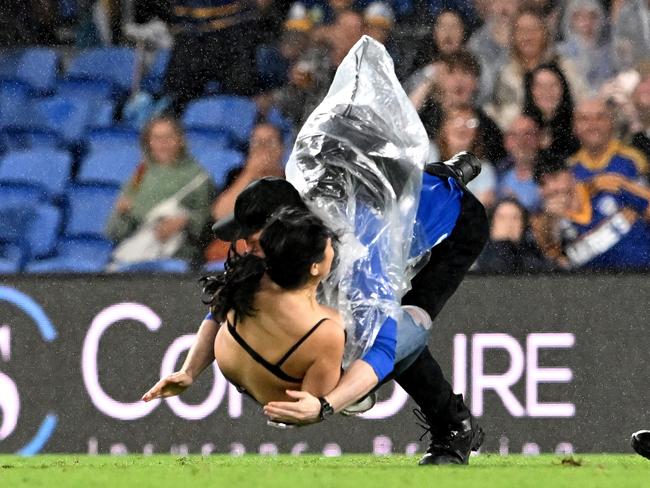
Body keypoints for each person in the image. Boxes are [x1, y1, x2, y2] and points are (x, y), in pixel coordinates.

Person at [202, 208, 346, 405]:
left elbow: (214, 313)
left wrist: (188, 371)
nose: (333, 251)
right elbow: (307, 407)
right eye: (330, 246)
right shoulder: (329, 330)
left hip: (229, 363)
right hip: (275, 396)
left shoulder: (246, 277)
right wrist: (336, 402)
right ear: (314, 266)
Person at [105, 116, 216, 267]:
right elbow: (114, 231)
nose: (162, 143)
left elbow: (207, 224)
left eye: (168, 137)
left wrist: (185, 222)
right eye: (156, 138)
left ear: (181, 140)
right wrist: (122, 213)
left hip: (177, 258)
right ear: (148, 142)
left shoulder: (198, 178)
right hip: (136, 253)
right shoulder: (140, 173)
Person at [531, 157, 650, 270]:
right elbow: (556, 266)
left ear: (570, 174)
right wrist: (551, 221)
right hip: (596, 287)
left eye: (555, 178)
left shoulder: (605, 185)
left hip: (644, 273)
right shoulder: (542, 222)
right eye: (543, 184)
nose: (552, 188)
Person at [410, 50, 506, 164]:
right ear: (439, 80)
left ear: (476, 82)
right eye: (451, 72)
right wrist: (428, 81)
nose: (459, 80)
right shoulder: (427, 116)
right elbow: (401, 124)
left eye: (466, 73)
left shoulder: (485, 125)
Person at [569, 96, 648, 182]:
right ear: (574, 127)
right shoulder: (569, 167)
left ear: (612, 123)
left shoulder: (635, 160)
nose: (592, 125)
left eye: (600, 118)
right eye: (584, 119)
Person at [433, 107, 497, 208]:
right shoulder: (429, 154)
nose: (462, 128)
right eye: (457, 121)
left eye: (470, 122)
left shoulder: (484, 170)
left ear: (476, 132)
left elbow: (479, 207)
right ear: (444, 127)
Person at [474, 197, 550, 274]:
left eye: (515, 218)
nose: (509, 223)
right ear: (491, 223)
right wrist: (502, 243)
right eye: (502, 218)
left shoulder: (533, 253)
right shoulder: (476, 253)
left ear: (523, 225)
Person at [522, 63, 580, 160]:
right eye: (540, 86)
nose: (547, 92)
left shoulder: (577, 125)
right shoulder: (523, 128)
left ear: (563, 89)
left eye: (553, 85)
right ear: (531, 91)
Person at [497, 115, 542, 211]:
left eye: (528, 134)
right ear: (506, 142)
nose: (521, 141)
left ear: (538, 139)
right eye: (514, 135)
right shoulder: (497, 174)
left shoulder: (552, 174)